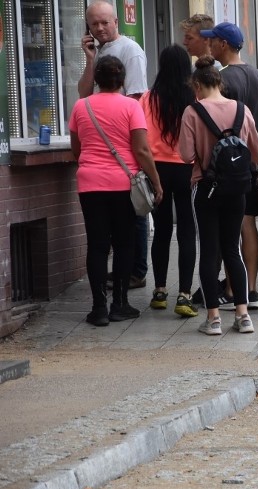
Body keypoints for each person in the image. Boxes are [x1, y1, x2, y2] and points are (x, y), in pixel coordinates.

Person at [69, 55, 163, 326]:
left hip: (90, 184)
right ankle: (119, 304)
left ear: (96, 80)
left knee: (97, 245)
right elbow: (142, 149)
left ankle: (98, 308)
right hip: (124, 184)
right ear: (122, 81)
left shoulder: (80, 107)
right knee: (124, 244)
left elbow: (77, 149)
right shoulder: (131, 107)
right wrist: (156, 182)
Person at [202, 21, 258, 310]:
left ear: (223, 45)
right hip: (251, 163)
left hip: (226, 167)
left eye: (212, 41)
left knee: (229, 230)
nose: (209, 45)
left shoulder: (222, 78)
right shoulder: (257, 74)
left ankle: (230, 289)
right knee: (248, 224)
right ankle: (249, 288)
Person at [179, 56, 258, 336]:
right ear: (219, 82)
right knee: (232, 249)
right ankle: (243, 316)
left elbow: (186, 155)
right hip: (237, 190)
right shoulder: (242, 109)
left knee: (209, 249)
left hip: (205, 188)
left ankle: (213, 318)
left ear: (198, 85)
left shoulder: (192, 112)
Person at [79, 0, 149, 290]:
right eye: (94, 24)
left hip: (124, 146)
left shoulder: (130, 51)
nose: (100, 28)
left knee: (136, 209)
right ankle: (126, 272)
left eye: (104, 22)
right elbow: (84, 94)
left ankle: (137, 270)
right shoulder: (99, 51)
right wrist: (89, 59)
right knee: (117, 224)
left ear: (116, 21)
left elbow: (136, 98)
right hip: (102, 153)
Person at [140, 45, 197, 318]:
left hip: (157, 170)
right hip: (187, 167)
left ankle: (160, 290)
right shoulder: (194, 97)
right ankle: (185, 294)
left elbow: (141, 138)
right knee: (187, 228)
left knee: (161, 230)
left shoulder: (148, 99)